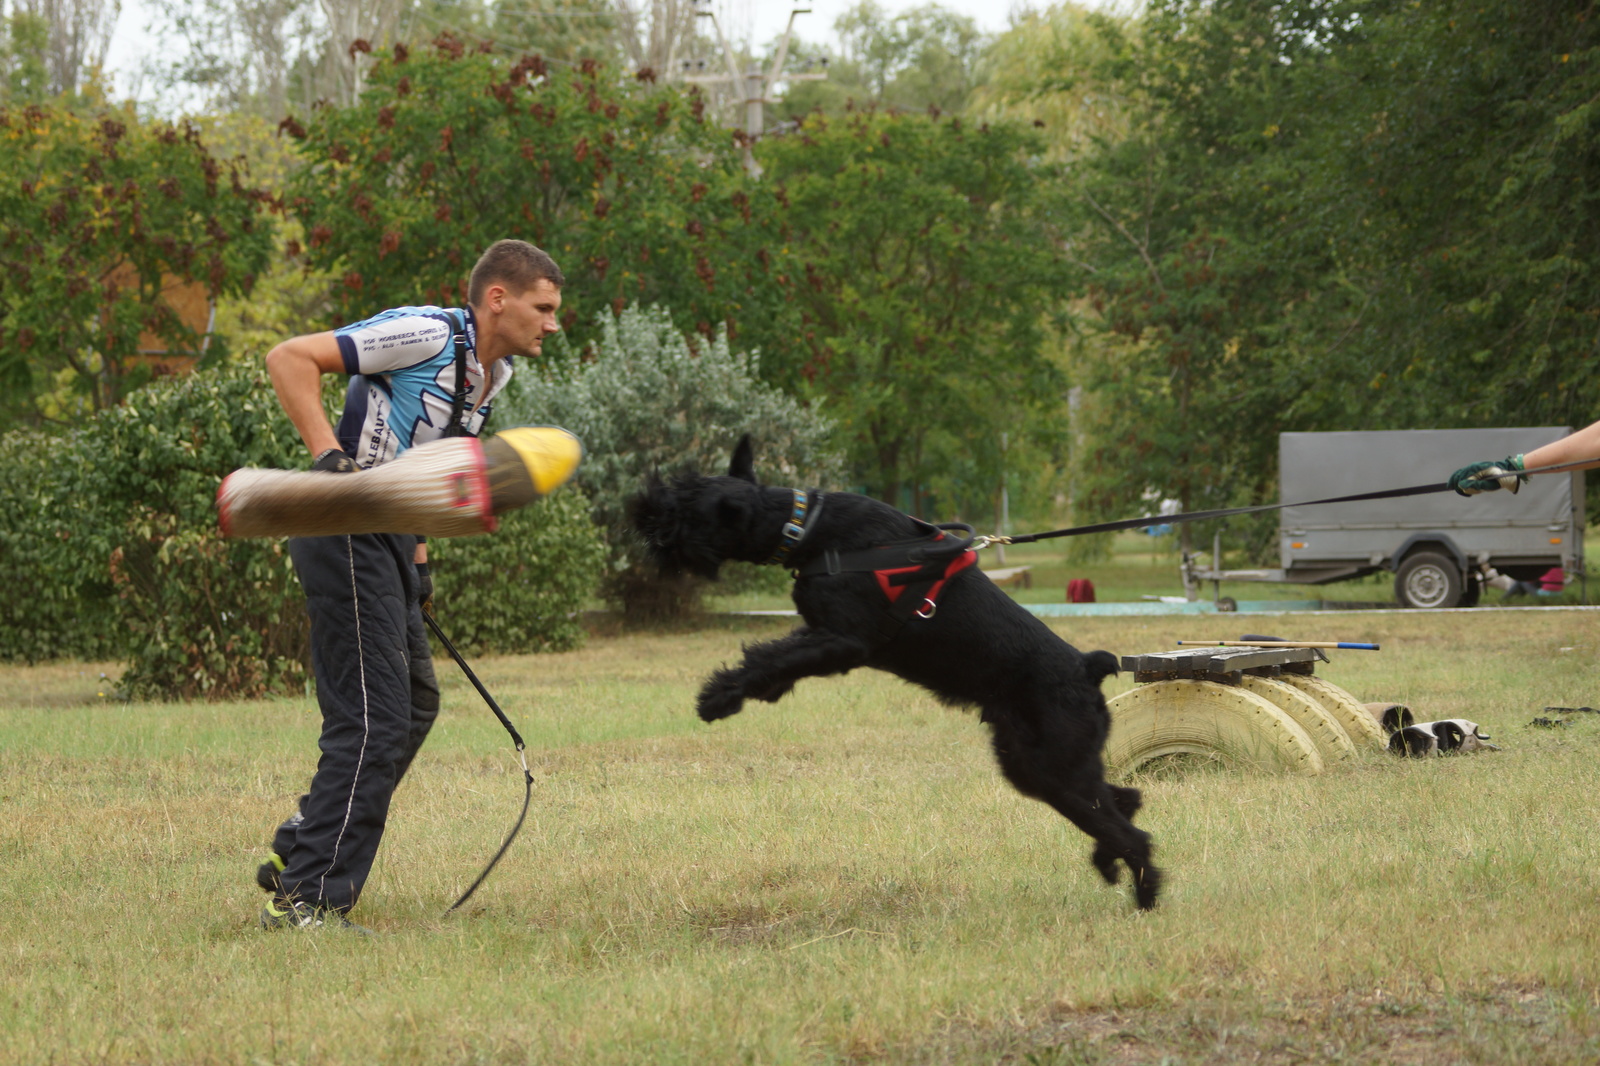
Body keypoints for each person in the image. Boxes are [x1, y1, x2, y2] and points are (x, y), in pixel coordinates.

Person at [256, 239, 564, 931]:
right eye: (542, 308)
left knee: (415, 703)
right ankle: (308, 897)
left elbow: (428, 466)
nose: (552, 323)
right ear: (497, 298)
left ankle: (298, 851)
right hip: (343, 521)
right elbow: (289, 358)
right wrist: (328, 458)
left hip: (390, 537)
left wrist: (418, 559)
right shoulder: (425, 332)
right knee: (373, 719)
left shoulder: (494, 376)